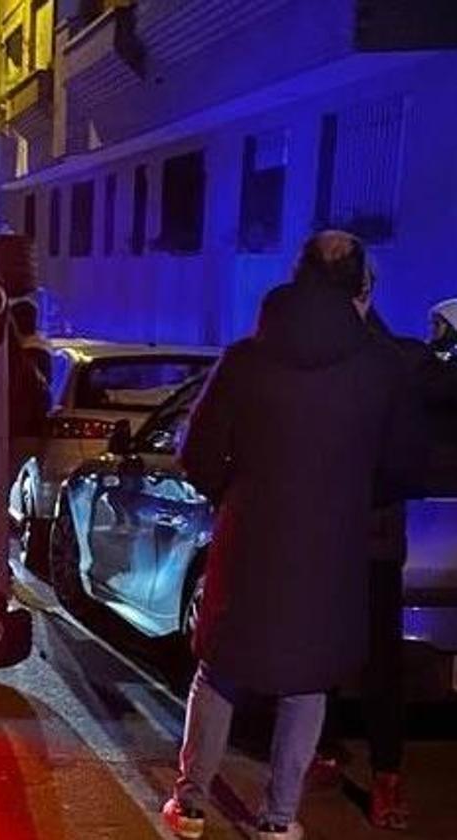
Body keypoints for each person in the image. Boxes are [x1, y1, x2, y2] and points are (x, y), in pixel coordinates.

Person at [161, 231, 421, 840]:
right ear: (362, 288)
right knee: (306, 685)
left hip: (248, 542)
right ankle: (278, 819)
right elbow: (404, 465)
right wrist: (348, 498)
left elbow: (197, 454)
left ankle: (191, 806)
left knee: (220, 669)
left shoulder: (246, 358)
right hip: (332, 549)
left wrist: (240, 494)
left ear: (298, 275)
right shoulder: (381, 368)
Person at [312, 286, 457, 830]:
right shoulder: (402, 358)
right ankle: (382, 779)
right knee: (380, 662)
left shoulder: (330, 360)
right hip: (376, 532)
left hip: (338, 532)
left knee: (329, 650)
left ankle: (331, 756)